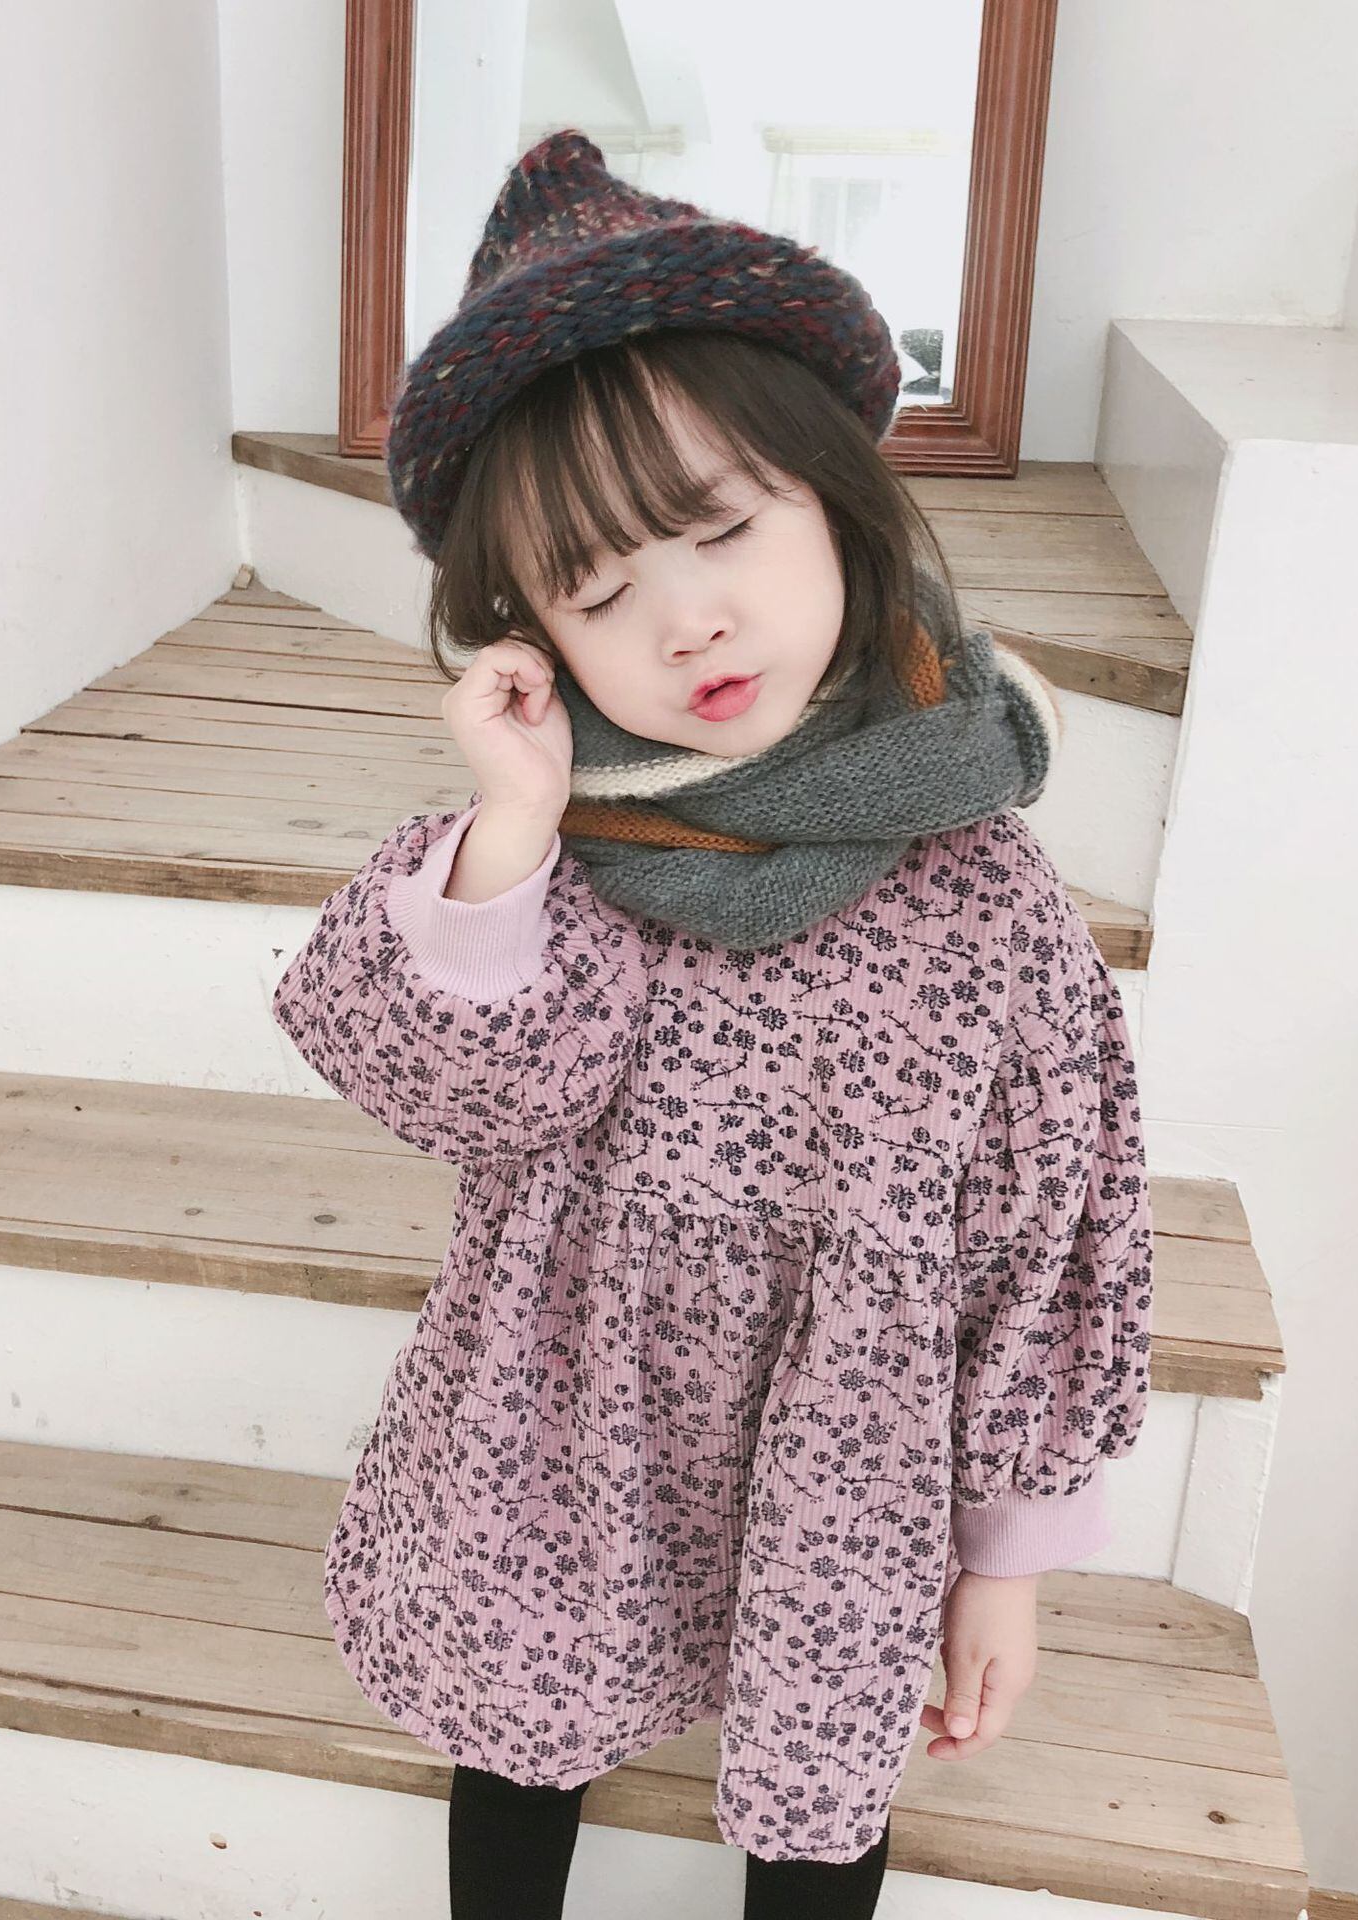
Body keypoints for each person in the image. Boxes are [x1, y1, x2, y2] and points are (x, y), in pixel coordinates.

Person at [270, 129, 1153, 1919]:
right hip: (567, 1425)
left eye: (725, 528)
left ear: (838, 498)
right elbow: (455, 1083)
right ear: (532, 636)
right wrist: (515, 819)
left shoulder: (983, 888)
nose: (689, 623)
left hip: (853, 1455)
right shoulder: (560, 858)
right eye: (599, 593)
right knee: (520, 1727)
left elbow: (1053, 1227)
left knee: (821, 1785)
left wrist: (1005, 1553)